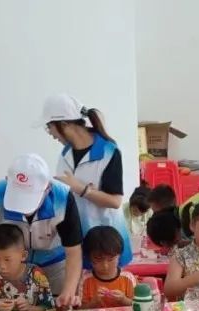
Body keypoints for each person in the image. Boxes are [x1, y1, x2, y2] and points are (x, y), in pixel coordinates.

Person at [0, 154, 83, 306]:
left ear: (47, 188)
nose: (24, 210)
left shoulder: (63, 198)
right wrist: (9, 264)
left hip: (55, 264)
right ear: (7, 182)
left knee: (55, 308)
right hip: (14, 265)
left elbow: (73, 250)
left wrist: (69, 290)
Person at [40, 93, 133, 268]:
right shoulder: (65, 154)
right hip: (78, 239)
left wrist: (81, 189)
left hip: (107, 244)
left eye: (49, 127)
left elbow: (114, 201)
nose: (50, 133)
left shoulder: (108, 152)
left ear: (64, 124)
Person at [0, 224, 54, 311]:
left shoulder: (36, 274)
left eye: (7, 260)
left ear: (23, 256)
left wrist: (30, 308)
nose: (2, 266)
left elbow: (50, 308)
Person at [79, 226, 137, 309]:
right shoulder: (85, 280)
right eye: (98, 259)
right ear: (89, 258)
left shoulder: (128, 278)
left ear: (119, 255)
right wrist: (92, 303)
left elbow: (138, 305)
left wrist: (124, 300)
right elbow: (79, 310)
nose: (105, 265)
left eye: (111, 259)